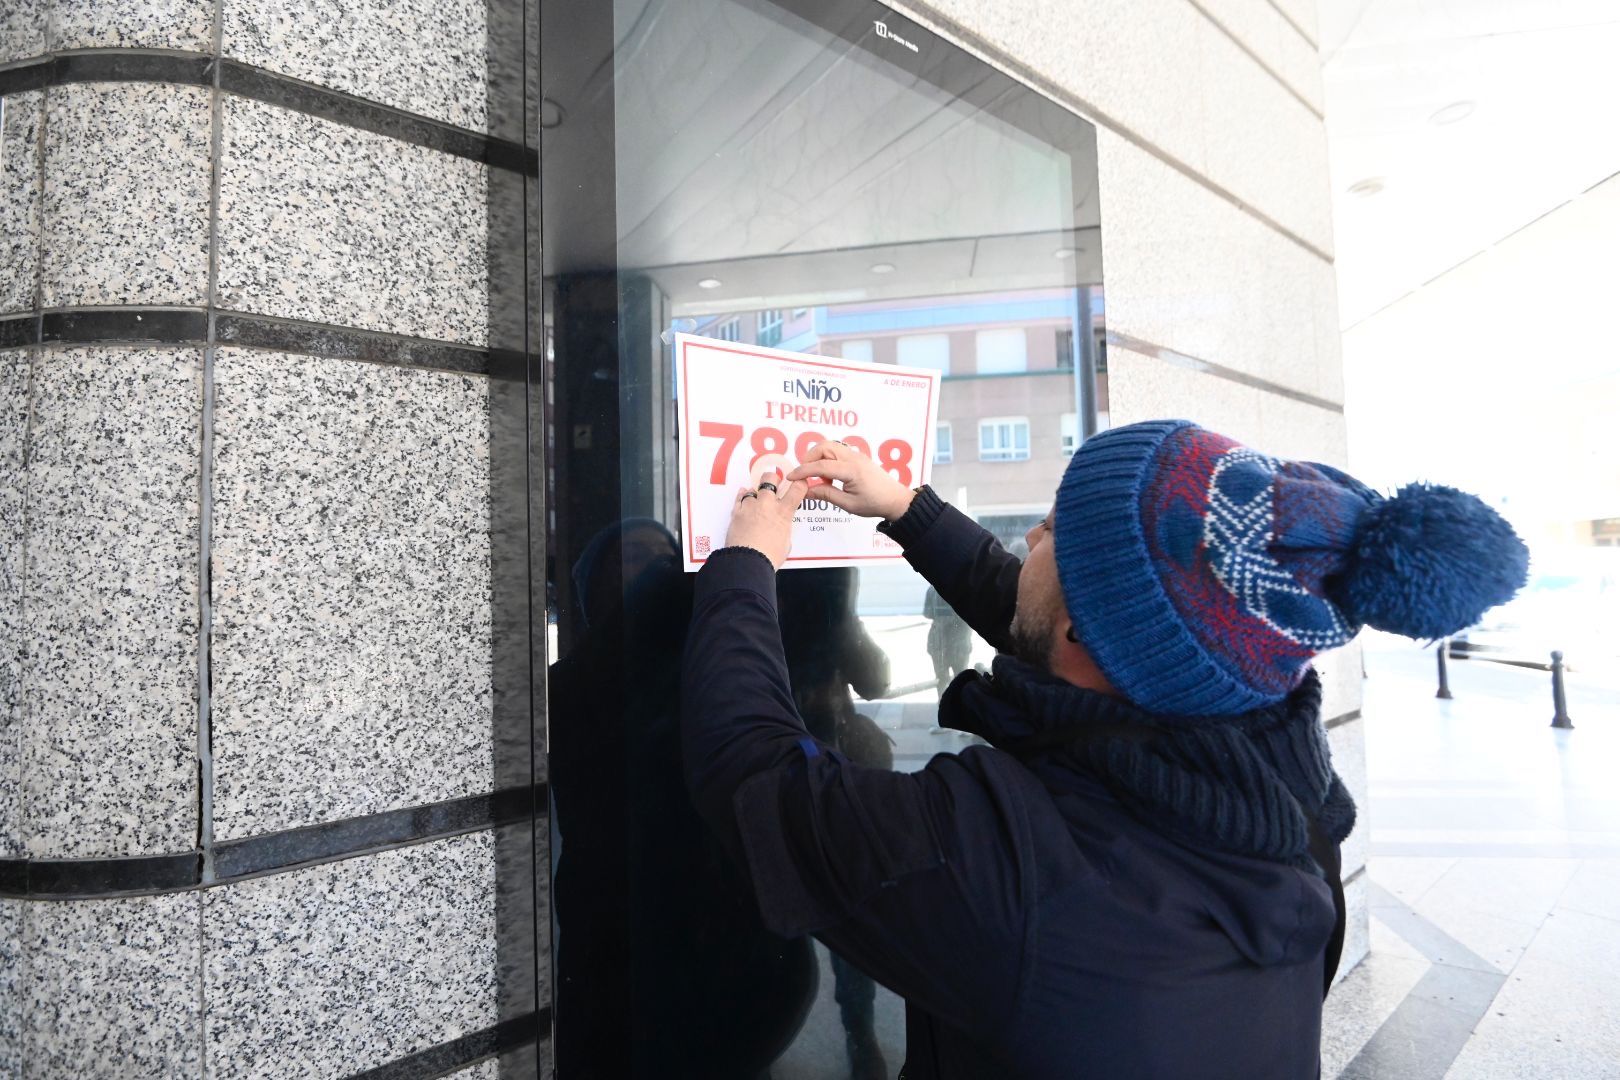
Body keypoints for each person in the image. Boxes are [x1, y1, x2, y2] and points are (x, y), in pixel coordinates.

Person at [681, 420, 1528, 1079]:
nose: (1034, 537)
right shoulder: (1276, 766)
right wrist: (909, 510)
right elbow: (1060, 625)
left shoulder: (1026, 874)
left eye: (1052, 531)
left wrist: (746, 559)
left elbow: (751, 773)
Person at [923, 584, 972, 697]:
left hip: (939, 644)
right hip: (958, 645)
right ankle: (959, 709)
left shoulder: (932, 589)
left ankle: (945, 708)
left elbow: (927, 613)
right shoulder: (966, 589)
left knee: (942, 682)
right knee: (960, 680)